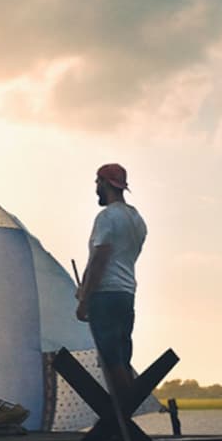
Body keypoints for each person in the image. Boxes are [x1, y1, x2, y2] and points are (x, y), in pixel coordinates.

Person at [75, 163, 148, 402]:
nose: (96, 188)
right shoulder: (137, 220)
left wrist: (85, 298)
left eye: (97, 183)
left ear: (105, 183)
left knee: (110, 357)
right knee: (122, 354)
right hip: (126, 293)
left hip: (105, 294)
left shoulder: (107, 217)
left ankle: (122, 412)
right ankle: (124, 413)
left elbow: (100, 258)